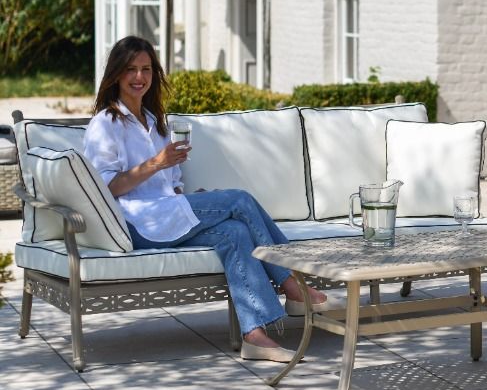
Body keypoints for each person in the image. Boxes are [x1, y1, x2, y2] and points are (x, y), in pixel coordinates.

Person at [83, 36, 328, 363]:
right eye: (131, 70)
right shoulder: (106, 124)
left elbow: (169, 185)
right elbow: (105, 187)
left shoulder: (156, 123)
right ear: (116, 74)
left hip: (168, 215)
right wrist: (157, 162)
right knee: (239, 200)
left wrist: (191, 199)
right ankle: (293, 283)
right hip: (139, 224)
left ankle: (254, 335)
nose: (139, 77)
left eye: (146, 69)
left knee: (235, 233)